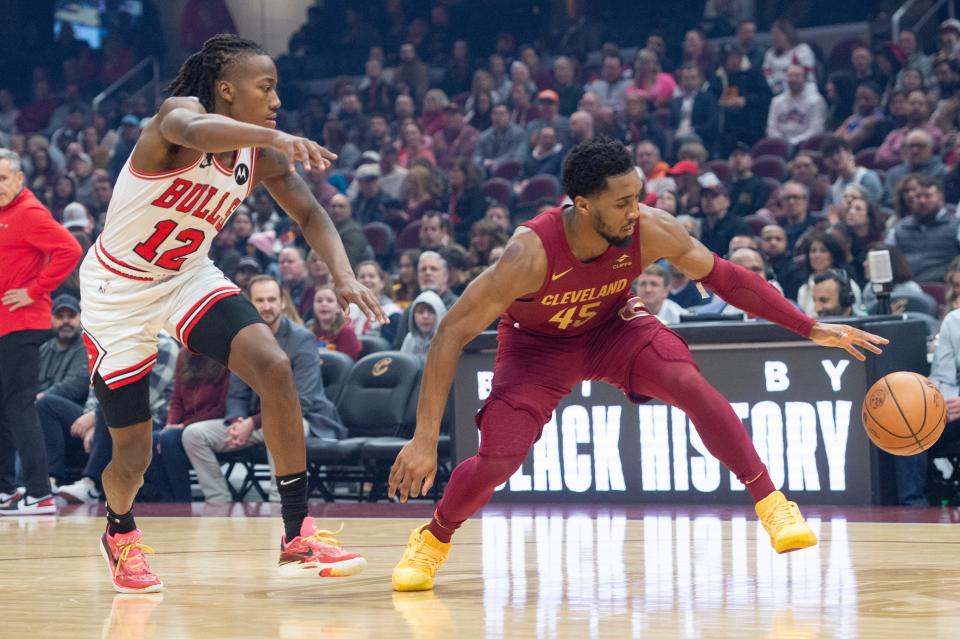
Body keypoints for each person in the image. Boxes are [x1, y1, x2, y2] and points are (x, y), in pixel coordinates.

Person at [387, 137, 887, 591]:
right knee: (500, 458)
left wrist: (808, 326)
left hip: (613, 327)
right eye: (622, 202)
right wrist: (426, 437)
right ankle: (434, 539)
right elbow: (450, 332)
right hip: (537, 347)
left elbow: (726, 278)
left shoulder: (651, 228)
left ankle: (772, 503)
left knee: (687, 382)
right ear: (583, 205)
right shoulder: (529, 253)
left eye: (637, 196)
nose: (636, 210)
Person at [77, 35, 383, 593]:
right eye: (265, 88)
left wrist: (342, 274)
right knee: (133, 454)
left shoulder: (258, 154)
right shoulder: (178, 118)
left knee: (275, 366)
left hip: (187, 275)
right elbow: (196, 133)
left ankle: (297, 533)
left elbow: (311, 215)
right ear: (226, 90)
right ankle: (119, 530)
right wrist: (276, 136)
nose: (276, 101)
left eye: (276, 92)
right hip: (116, 293)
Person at [182, 276, 347, 502]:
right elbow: (236, 394)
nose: (266, 306)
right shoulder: (243, 339)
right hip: (254, 422)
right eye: (259, 300)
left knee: (279, 425)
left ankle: (281, 502)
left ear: (283, 303)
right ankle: (218, 502)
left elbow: (302, 400)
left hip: (306, 419)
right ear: (249, 303)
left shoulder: (302, 339)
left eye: (271, 299)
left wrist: (252, 423)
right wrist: (237, 422)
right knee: (193, 435)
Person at [0, 149, 83, 515]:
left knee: (19, 405)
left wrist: (35, 290)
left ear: (19, 180)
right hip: (6, 324)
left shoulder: (28, 212)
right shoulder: (6, 214)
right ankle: (5, 489)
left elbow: (70, 248)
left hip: (23, 323)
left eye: (3, 178)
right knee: (6, 407)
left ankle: (39, 493)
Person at [36, 294, 91, 485]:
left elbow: (77, 384)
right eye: (60, 317)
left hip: (80, 416)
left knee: (44, 404)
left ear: (80, 318)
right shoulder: (44, 349)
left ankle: (50, 479)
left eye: (71, 316)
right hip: (43, 417)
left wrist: (41, 396)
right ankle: (17, 484)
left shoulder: (86, 346)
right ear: (51, 320)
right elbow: (29, 384)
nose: (66, 321)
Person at [308, 284, 362, 360]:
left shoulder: (346, 333)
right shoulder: (309, 332)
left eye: (330, 300)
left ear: (338, 307)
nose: (324, 304)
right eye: (319, 301)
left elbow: (346, 365)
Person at [400, 290, 447, 361]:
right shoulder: (409, 339)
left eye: (431, 311)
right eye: (420, 311)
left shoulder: (448, 342)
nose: (425, 316)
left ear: (440, 314)